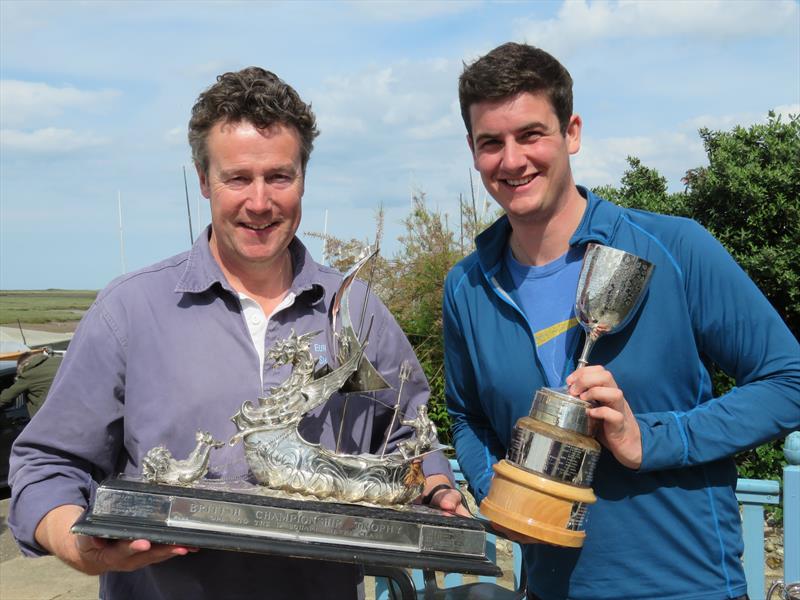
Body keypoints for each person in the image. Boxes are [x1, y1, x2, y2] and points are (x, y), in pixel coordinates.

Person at [9, 67, 466, 600]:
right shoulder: (129, 310)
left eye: (279, 176)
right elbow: (47, 464)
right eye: (237, 178)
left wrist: (436, 489)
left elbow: (411, 440)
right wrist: (78, 545)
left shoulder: (358, 311)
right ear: (204, 180)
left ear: (303, 178)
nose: (259, 202)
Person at [443, 42, 800, 600]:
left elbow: (789, 380)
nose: (512, 161)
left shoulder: (677, 247)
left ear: (572, 132)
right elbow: (466, 416)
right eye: (492, 142)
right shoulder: (466, 286)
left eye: (531, 134)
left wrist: (651, 439)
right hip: (549, 588)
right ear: (473, 150)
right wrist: (501, 489)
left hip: (687, 586)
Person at [0, 349, 63, 417]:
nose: (21, 374)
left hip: (50, 415)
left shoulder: (28, 374)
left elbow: (5, 397)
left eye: (20, 371)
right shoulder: (59, 360)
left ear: (24, 364)